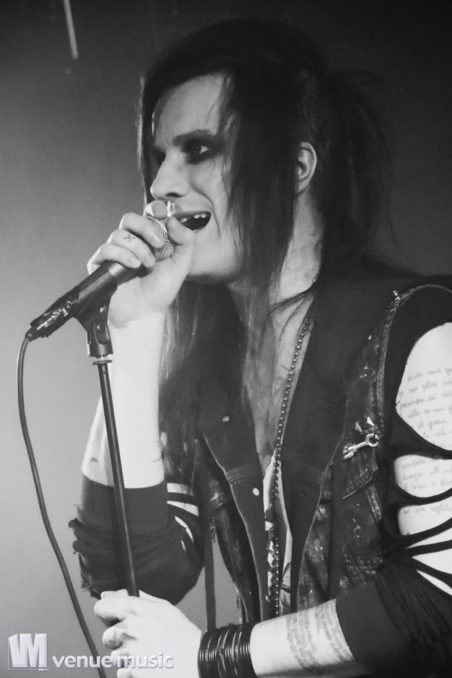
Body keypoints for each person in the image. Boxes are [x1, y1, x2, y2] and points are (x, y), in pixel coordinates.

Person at [70, 18, 452, 678]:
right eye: (159, 157)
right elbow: (129, 577)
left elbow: (437, 595)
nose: (161, 186)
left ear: (295, 166)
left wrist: (214, 657)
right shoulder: (205, 374)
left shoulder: (422, 330)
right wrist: (128, 337)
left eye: (198, 149)